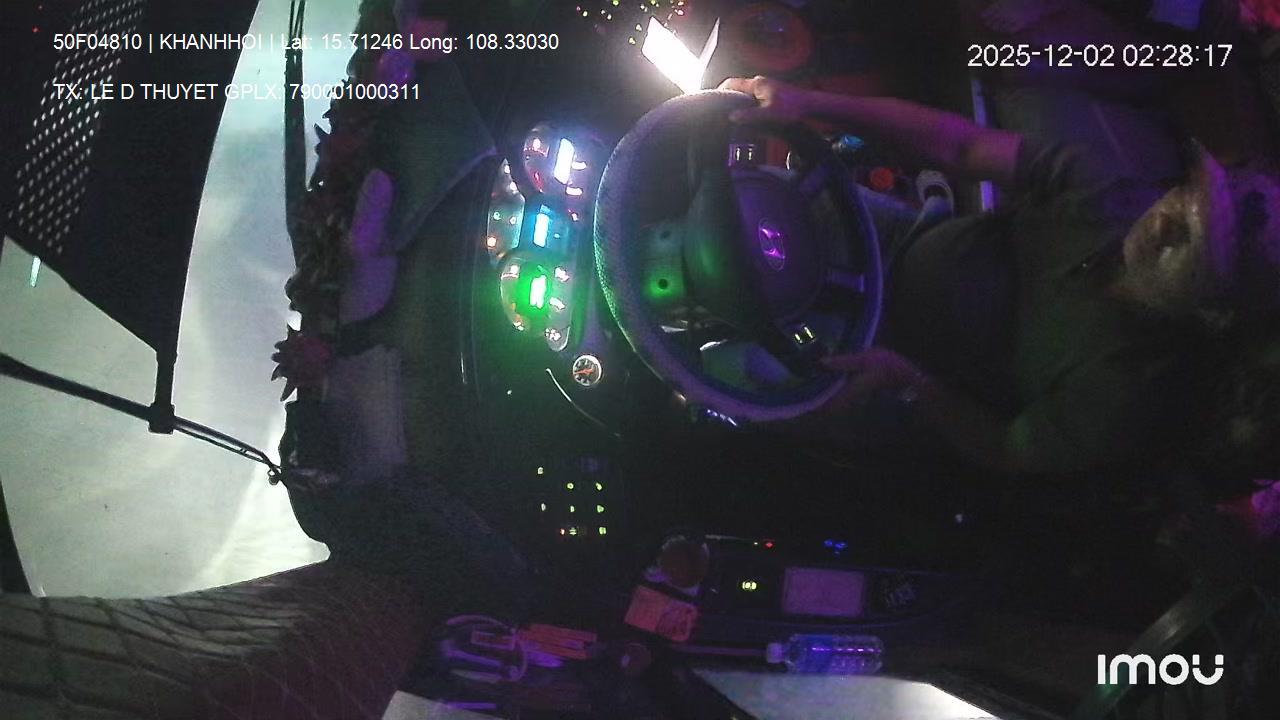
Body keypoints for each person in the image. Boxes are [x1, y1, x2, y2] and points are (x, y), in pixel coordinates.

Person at [718, 75, 1280, 477]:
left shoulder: (1128, 390)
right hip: (897, 239)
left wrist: (910, 384)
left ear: (1214, 308)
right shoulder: (1112, 194)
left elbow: (1010, 448)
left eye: (1190, 238)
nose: (1162, 219)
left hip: (897, 364)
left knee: (741, 373)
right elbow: (965, 145)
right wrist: (807, 101)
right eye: (1187, 198)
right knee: (742, 193)